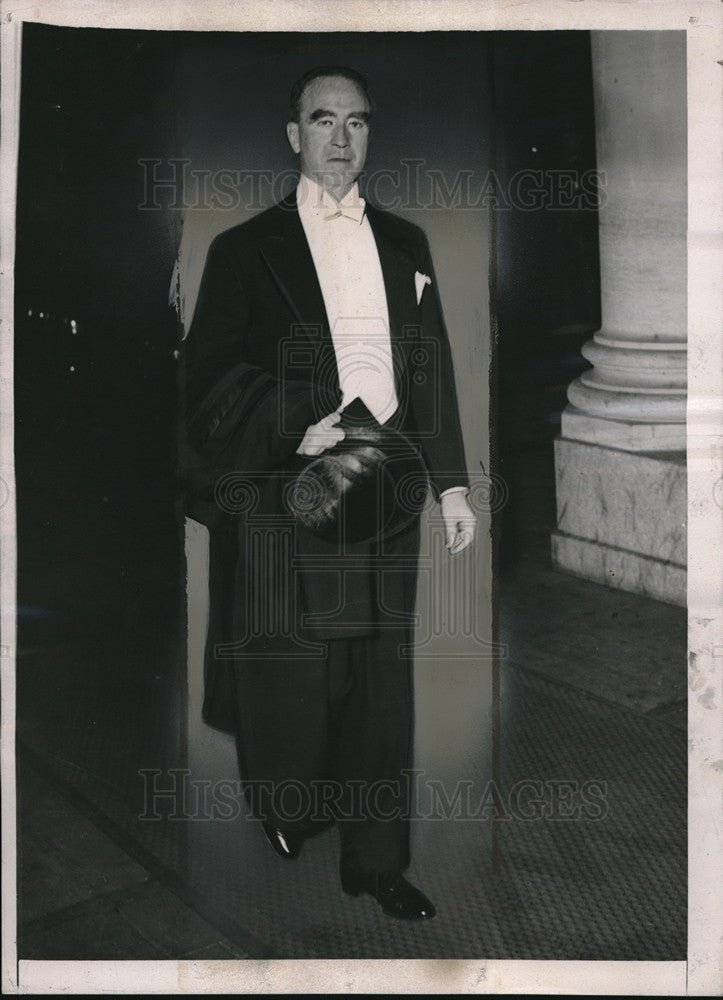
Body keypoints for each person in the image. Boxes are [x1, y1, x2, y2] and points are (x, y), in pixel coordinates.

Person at [181, 65, 476, 920]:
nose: (341, 137)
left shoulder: (408, 242)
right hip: (293, 488)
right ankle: (289, 806)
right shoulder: (244, 248)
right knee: (291, 674)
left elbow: (433, 375)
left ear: (369, 133)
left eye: (356, 121)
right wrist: (286, 425)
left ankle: (376, 861)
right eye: (322, 119)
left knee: (379, 683)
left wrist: (453, 487)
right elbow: (202, 384)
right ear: (293, 136)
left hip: (389, 481)